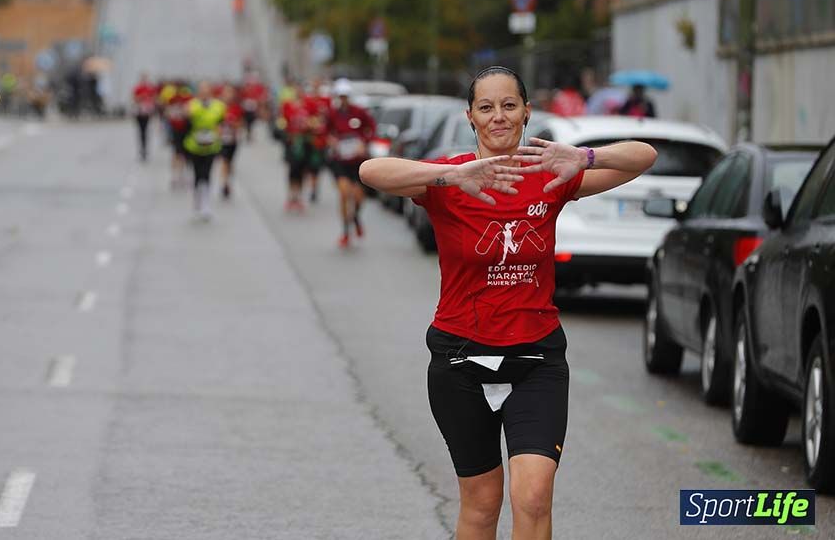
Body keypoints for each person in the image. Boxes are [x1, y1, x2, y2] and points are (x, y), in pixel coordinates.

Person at [358, 66, 657, 540]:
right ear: (471, 118)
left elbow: (644, 156)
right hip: (459, 359)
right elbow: (370, 171)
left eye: (509, 105)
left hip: (535, 357)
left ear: (526, 113)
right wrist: (451, 175)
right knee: (481, 505)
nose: (498, 116)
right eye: (486, 107)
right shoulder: (449, 179)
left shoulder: (551, 174)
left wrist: (584, 155)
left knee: (533, 497)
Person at [326, 78, 375, 248]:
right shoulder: (332, 113)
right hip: (340, 161)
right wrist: (331, 140)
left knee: (358, 197)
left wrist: (364, 142)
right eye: (341, 96)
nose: (343, 99)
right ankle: (346, 232)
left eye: (346, 96)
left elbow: (372, 128)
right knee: (344, 194)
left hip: (357, 162)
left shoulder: (359, 112)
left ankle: (356, 218)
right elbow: (325, 132)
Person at [183, 81, 226, 220]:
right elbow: (187, 120)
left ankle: (206, 203)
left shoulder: (218, 106)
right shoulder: (192, 105)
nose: (204, 92)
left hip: (211, 145)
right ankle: (197, 198)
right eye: (202, 90)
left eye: (207, 90)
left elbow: (221, 122)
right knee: (197, 173)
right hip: (195, 144)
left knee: (207, 173)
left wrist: (218, 134)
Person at [279, 85, 310, 212]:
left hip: (304, 142)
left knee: (302, 171)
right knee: (292, 170)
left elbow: (315, 121)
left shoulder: (308, 106)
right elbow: (283, 123)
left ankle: (299, 196)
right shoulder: (288, 106)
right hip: (292, 143)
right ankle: (291, 195)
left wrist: (309, 125)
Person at [165, 82, 194, 189]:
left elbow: (191, 113)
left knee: (187, 154)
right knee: (177, 153)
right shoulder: (172, 99)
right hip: (176, 130)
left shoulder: (189, 99)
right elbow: (167, 112)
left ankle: (185, 175)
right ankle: (175, 176)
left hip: (186, 130)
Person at [218, 83, 244, 199]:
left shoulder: (236, 108)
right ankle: (224, 184)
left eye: (230, 93)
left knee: (230, 162)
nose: (228, 95)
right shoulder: (218, 107)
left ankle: (228, 180)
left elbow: (240, 124)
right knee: (224, 161)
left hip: (232, 140)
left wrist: (233, 124)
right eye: (226, 92)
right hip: (221, 140)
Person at [131, 73, 158, 161]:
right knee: (141, 131)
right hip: (139, 112)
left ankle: (145, 149)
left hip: (147, 112)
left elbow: (154, 98)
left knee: (145, 131)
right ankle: (142, 149)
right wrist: (141, 98)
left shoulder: (150, 88)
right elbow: (134, 98)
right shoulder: (138, 88)